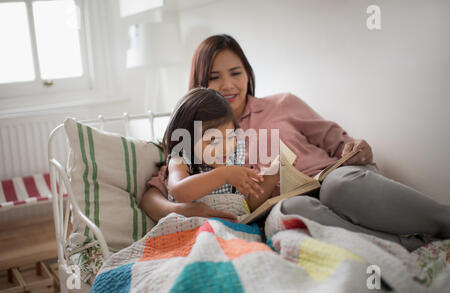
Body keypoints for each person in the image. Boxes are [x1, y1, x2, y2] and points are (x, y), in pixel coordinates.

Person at [140, 34, 450, 251]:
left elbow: (340, 143)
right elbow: (155, 195)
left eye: (236, 72)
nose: (227, 85)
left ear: (248, 74)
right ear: (199, 86)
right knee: (290, 211)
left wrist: (355, 148)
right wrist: (189, 210)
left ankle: (443, 220)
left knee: (337, 186)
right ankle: (412, 245)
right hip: (286, 205)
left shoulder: (282, 103)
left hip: (333, 180)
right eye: (213, 77)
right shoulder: (190, 139)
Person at [160, 87, 279, 219]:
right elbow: (179, 191)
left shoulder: (231, 161)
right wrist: (223, 176)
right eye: (212, 140)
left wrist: (274, 174)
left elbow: (249, 204)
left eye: (230, 136)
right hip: (193, 228)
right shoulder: (182, 160)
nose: (224, 148)